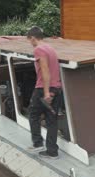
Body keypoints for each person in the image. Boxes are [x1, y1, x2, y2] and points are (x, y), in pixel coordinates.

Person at [26, 26, 62, 159]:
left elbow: (45, 71)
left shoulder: (39, 49)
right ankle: (52, 151)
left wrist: (46, 93)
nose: (30, 43)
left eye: (30, 40)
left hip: (43, 89)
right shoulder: (50, 48)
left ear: (33, 38)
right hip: (57, 88)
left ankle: (38, 143)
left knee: (33, 114)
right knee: (52, 120)